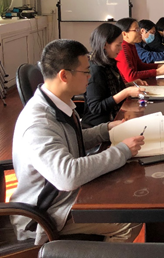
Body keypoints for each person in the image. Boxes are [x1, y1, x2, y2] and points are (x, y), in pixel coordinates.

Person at [10, 39, 144, 245]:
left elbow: (73, 139)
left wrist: (107, 130)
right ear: (64, 75)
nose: (90, 76)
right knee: (129, 220)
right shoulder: (38, 123)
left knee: (127, 195)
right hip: (45, 214)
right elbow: (67, 176)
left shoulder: (58, 103)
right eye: (86, 71)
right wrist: (123, 150)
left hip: (64, 198)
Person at [83, 23, 147, 127]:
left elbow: (110, 90)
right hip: (101, 126)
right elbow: (96, 107)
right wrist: (126, 92)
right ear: (105, 44)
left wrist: (129, 85)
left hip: (115, 117)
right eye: (118, 45)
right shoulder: (95, 69)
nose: (121, 49)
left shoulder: (109, 62)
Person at [115, 18, 164, 82]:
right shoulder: (122, 48)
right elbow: (131, 77)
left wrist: (158, 66)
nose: (140, 33)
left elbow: (139, 66)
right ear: (124, 34)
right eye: (137, 30)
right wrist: (157, 72)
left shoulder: (131, 45)